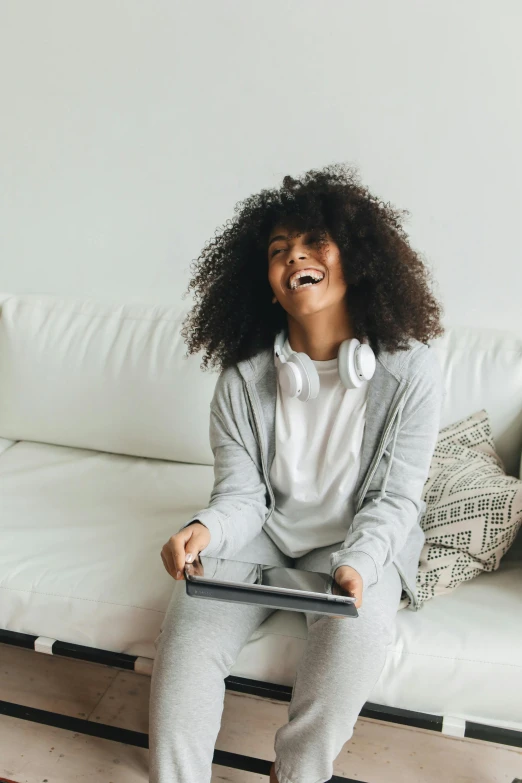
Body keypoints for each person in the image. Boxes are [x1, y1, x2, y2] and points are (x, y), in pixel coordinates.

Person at [149, 162, 445, 783]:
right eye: (279, 251)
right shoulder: (242, 378)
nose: (294, 259)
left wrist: (358, 566)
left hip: (355, 544)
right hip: (266, 532)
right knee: (185, 641)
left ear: (356, 259)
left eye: (315, 244)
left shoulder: (411, 372)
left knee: (352, 651)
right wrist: (204, 529)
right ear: (265, 280)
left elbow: (395, 501)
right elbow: (239, 494)